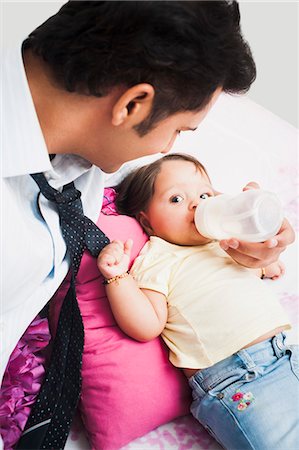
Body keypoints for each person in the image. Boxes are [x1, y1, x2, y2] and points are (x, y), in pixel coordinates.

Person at [1, 1, 295, 447]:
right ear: (135, 104)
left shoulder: (80, 148)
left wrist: (261, 239)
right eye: (179, 131)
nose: (167, 147)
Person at [97, 153, 298, 450]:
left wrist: (263, 262)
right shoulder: (158, 257)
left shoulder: (225, 242)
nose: (196, 204)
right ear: (146, 221)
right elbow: (147, 325)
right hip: (239, 380)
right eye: (176, 199)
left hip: (286, 353)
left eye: (204, 194)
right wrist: (117, 278)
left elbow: (250, 267)